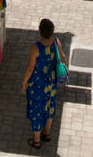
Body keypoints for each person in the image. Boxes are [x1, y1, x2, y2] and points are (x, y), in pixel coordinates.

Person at [20, 18, 66, 149]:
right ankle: (47, 133)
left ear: (40, 31)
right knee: (49, 105)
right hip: (51, 82)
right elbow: (62, 58)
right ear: (52, 30)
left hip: (37, 84)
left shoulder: (36, 47)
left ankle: (36, 140)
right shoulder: (56, 42)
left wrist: (24, 83)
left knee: (37, 109)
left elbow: (30, 68)